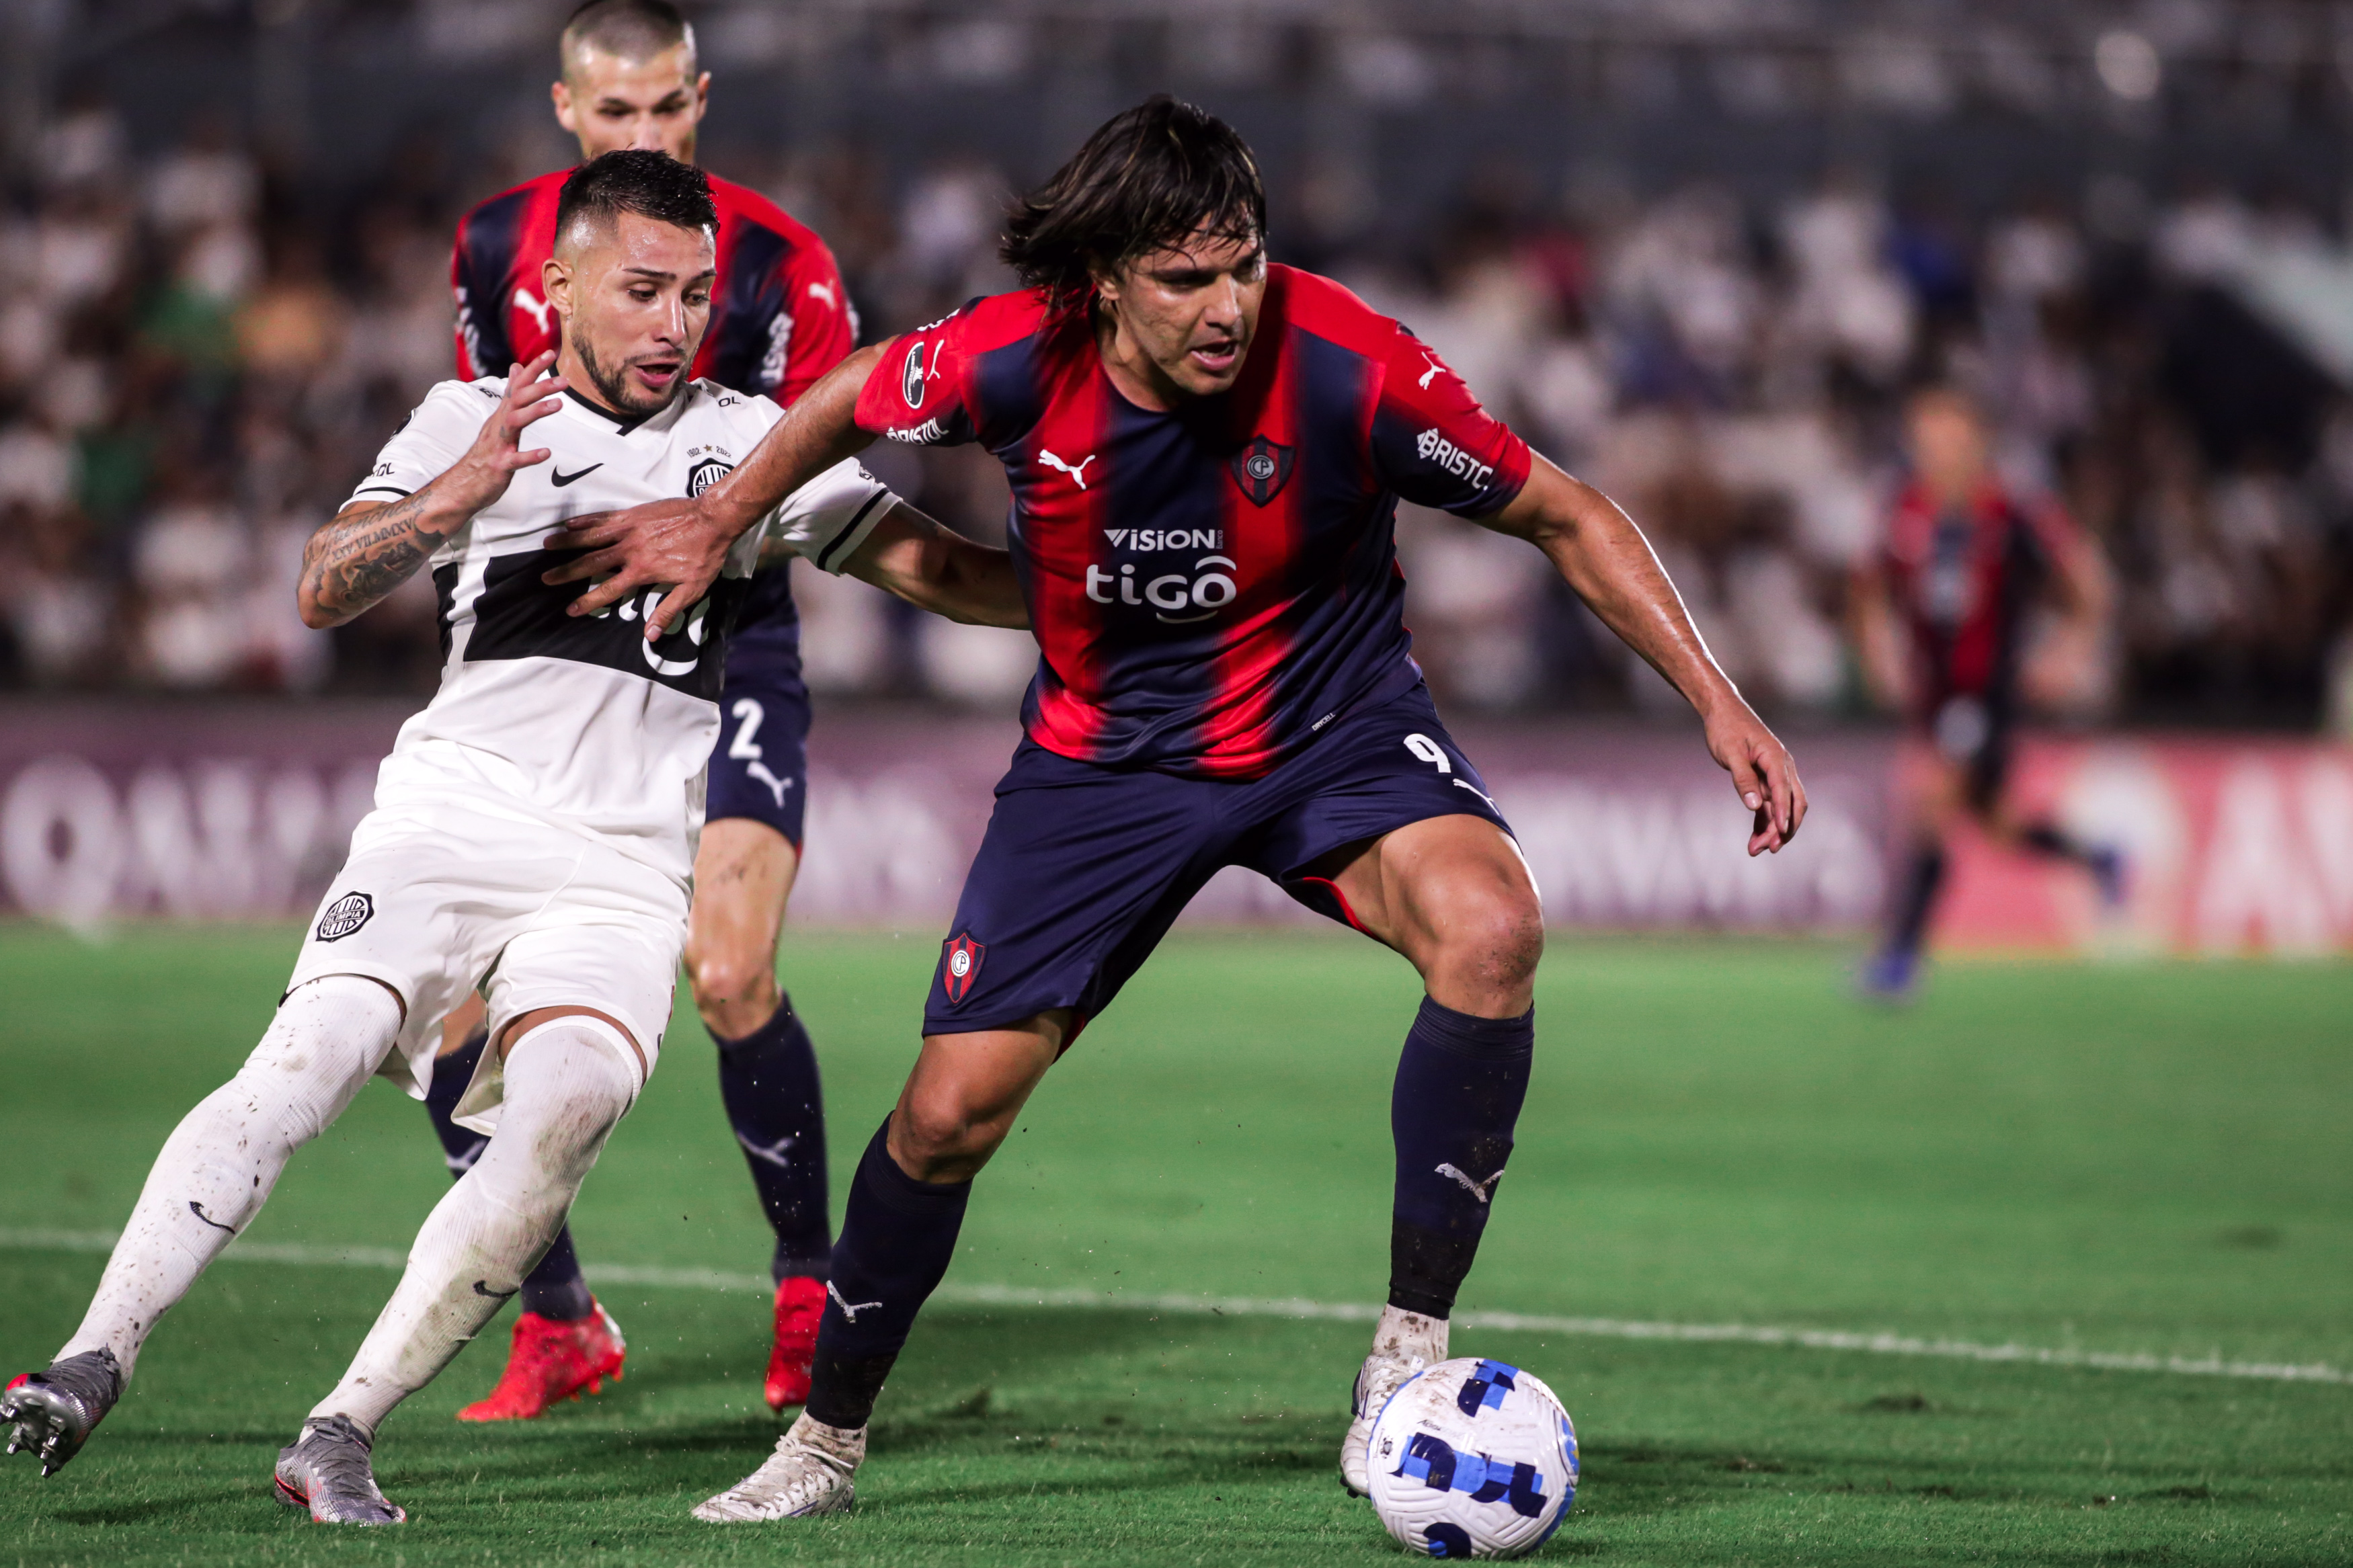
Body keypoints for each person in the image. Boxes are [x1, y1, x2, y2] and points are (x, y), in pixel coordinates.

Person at [549, 98, 1808, 1524]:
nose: (1227, 307)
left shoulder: (1349, 365)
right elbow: (843, 396)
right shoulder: (1013, 352)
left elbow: (1567, 513)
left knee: (1493, 927)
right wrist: (721, 518)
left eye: (1244, 266)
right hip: (1105, 765)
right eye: (1185, 278)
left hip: (1330, 729)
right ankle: (821, 1444)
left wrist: (1716, 695)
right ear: (1104, 283)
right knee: (949, 1114)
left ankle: (1405, 1357)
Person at [0, 151, 1022, 1524]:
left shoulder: (748, 442)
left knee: (569, 1109)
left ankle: (340, 1426)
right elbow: (320, 583)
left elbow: (937, 567)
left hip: (622, 871)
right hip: (450, 821)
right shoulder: (467, 416)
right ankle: (92, 1354)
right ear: (556, 285)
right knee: (309, 1053)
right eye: (644, 288)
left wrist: (1122, 593)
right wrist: (452, 498)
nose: (675, 322)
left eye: (698, 295)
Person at [434, 0, 859, 1421]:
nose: (642, 136)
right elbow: (491, 434)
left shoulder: (785, 264)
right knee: (449, 1020)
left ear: (700, 99)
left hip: (734, 643)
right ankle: (558, 1322)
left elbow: (821, 466)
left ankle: (813, 1294)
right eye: (613, 116)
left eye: (665, 111)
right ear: (568, 112)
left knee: (729, 971)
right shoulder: (497, 243)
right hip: (559, 657)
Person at [1852, 383, 2122, 1001]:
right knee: (1997, 825)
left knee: (1931, 804)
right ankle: (2101, 859)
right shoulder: (1905, 508)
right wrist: (1878, 655)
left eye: (1947, 439)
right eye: (1924, 440)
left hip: (1986, 691)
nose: (1934, 451)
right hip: (1934, 692)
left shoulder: (2012, 511)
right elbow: (1866, 588)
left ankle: (1899, 960)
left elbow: (2085, 579)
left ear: (1977, 443)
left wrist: (2068, 651)